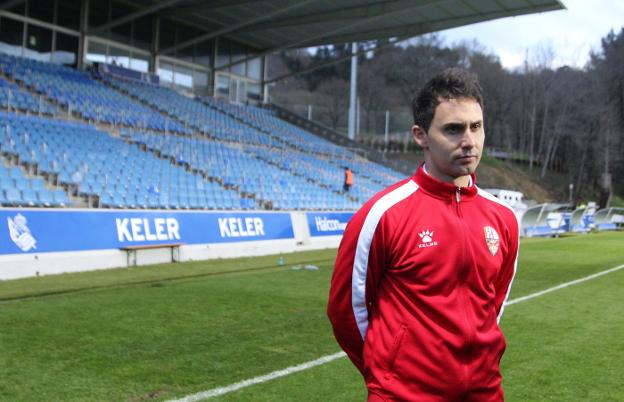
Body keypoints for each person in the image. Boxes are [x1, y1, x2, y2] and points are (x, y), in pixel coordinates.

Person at [327, 68, 519, 402]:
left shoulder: (504, 219)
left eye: (476, 126)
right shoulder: (382, 215)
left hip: (485, 393)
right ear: (421, 136)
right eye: (453, 129)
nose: (469, 141)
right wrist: (387, 373)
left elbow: (493, 305)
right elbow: (346, 310)